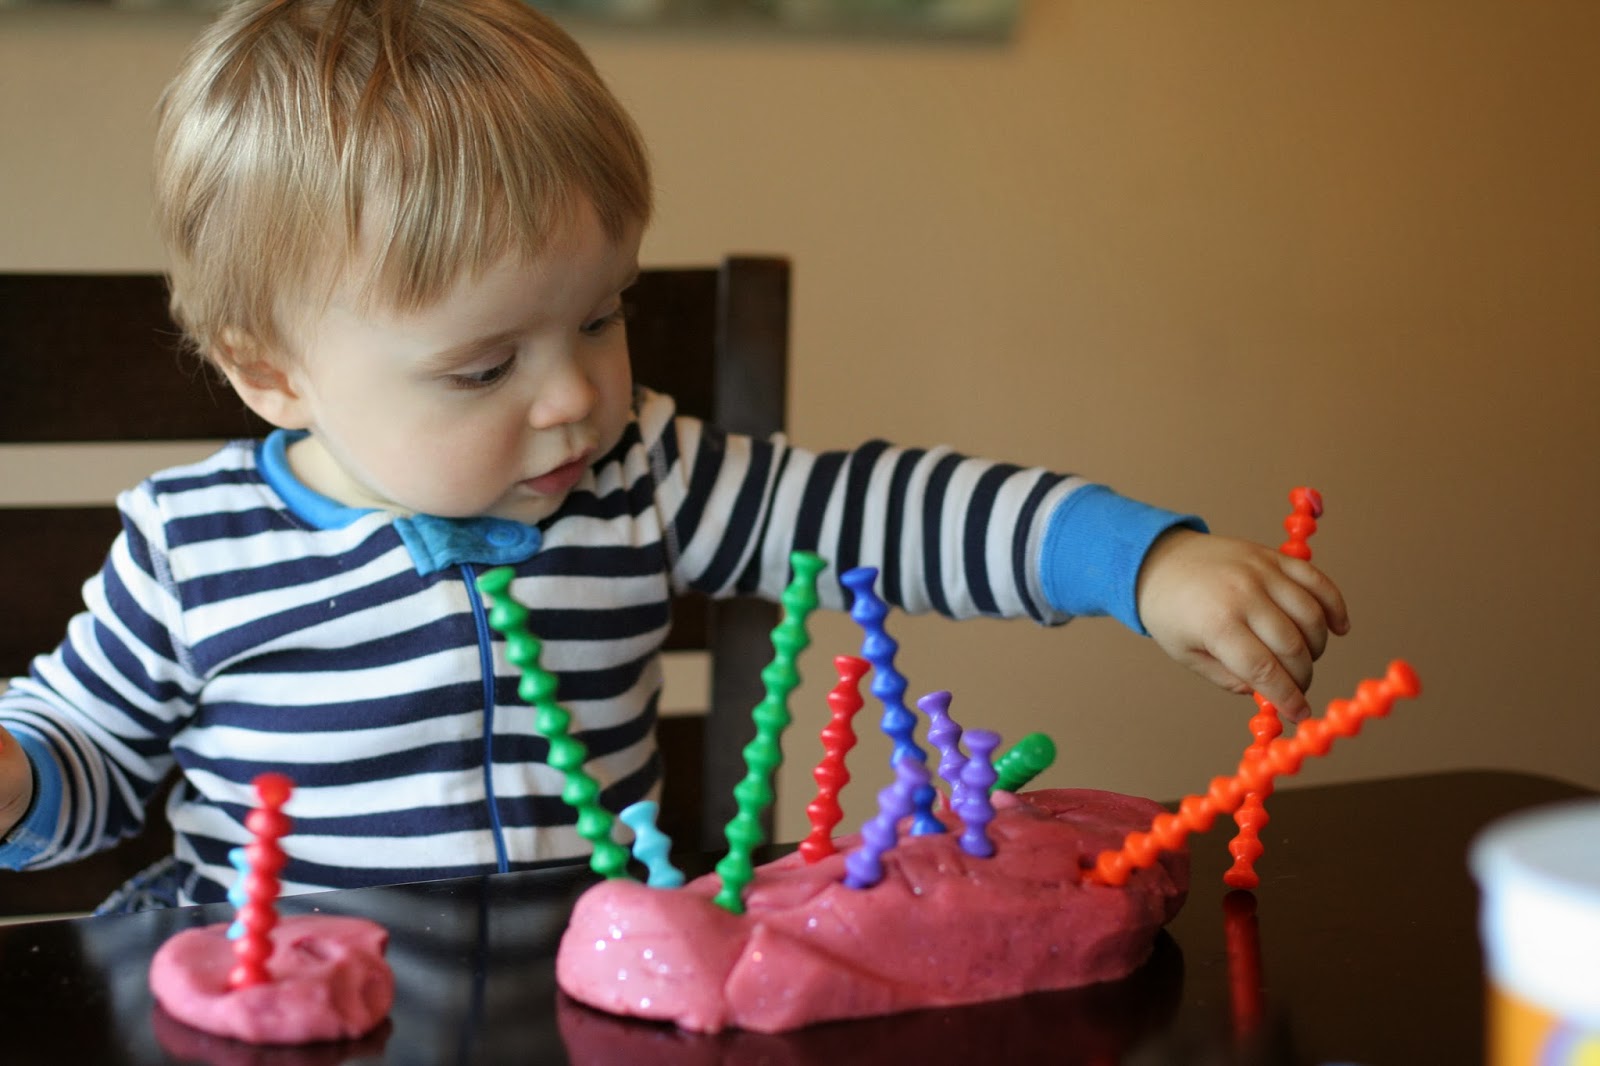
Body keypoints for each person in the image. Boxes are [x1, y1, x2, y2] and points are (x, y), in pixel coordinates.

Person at [0, 0, 1348, 911]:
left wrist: (1137, 562)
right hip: (284, 1018)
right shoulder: (193, 549)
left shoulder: (644, 475)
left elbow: (878, 510)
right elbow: (86, 751)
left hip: (601, 996)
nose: (576, 395)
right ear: (272, 373)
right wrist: (15, 775)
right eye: (483, 368)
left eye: (602, 316)